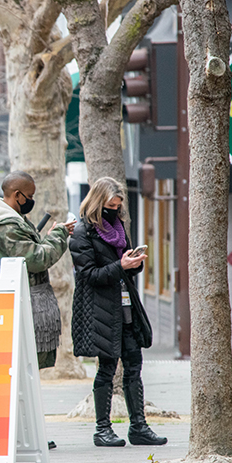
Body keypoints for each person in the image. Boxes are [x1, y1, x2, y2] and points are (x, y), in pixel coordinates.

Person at [70, 177, 167, 447]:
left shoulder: (119, 227)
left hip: (126, 306)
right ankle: (103, 430)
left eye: (118, 205)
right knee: (107, 369)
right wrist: (121, 266)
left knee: (134, 365)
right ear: (98, 202)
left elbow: (122, 267)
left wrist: (133, 264)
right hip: (100, 310)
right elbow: (88, 275)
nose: (115, 210)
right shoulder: (82, 233)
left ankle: (139, 427)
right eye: (110, 205)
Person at [0, 171, 75, 368]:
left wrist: (49, 237)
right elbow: (37, 259)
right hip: (16, 306)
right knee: (20, 368)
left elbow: (30, 251)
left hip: (19, 302)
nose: (31, 200)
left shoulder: (14, 220)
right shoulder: (8, 227)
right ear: (16, 194)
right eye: (29, 196)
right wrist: (58, 235)